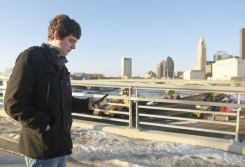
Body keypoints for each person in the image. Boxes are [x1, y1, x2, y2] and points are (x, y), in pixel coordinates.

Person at [4, 14, 97, 167]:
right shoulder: (31, 57)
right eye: (71, 41)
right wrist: (44, 125)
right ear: (56, 35)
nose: (74, 47)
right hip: (41, 149)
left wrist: (86, 105)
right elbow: (13, 104)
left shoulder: (62, 67)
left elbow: (63, 101)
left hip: (60, 146)